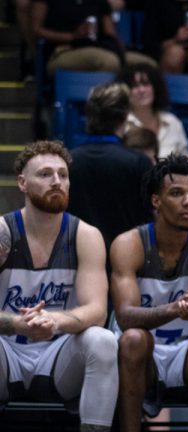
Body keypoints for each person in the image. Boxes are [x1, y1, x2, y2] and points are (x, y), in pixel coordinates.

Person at [110, 154, 188, 432]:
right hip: (145, 357)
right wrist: (175, 308)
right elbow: (125, 318)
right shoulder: (129, 243)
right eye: (177, 194)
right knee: (132, 338)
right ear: (156, 200)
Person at [0, 141, 118, 431]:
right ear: (22, 183)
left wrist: (53, 320)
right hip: (6, 354)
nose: (57, 182)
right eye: (45, 174)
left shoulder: (85, 235)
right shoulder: (2, 233)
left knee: (103, 340)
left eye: (63, 175)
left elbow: (97, 311)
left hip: (58, 357)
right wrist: (18, 324)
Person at [67, 82, 153, 252]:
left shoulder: (68, 161)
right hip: (129, 260)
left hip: (79, 259)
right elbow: (148, 220)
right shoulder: (139, 162)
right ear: (125, 116)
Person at [31, 0, 154, 76]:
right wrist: (72, 36)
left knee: (148, 65)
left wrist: (120, 50)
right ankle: (106, 106)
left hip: (100, 47)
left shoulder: (99, 2)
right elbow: (36, 30)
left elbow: (111, 33)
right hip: (63, 50)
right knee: (110, 62)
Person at [116, 63, 188, 159]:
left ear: (156, 87)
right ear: (125, 91)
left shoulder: (173, 122)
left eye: (146, 84)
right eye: (135, 86)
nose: (142, 90)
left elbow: (187, 164)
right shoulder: (121, 125)